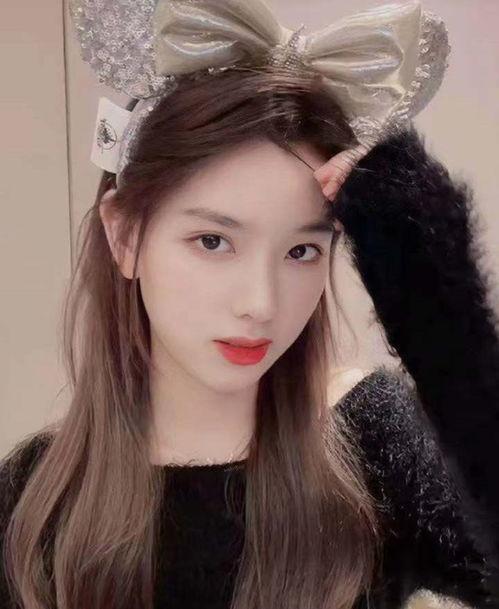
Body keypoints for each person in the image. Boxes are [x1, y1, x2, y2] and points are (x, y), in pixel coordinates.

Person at [1, 2, 499, 609]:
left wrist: (445, 328)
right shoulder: (30, 501)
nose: (261, 304)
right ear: (125, 235)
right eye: (213, 242)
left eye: (301, 251)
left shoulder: (371, 438)